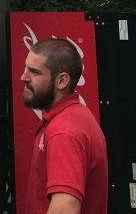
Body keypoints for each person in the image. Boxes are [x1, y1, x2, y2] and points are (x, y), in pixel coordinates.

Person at [20, 38, 108, 214]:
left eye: (34, 72)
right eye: (25, 68)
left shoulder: (63, 132)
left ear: (61, 81)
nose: (23, 77)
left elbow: (65, 208)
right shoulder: (78, 115)